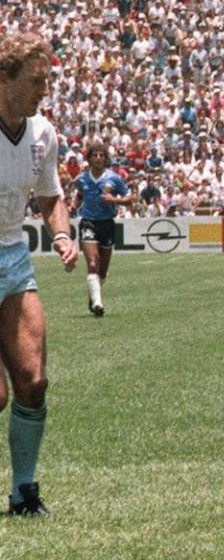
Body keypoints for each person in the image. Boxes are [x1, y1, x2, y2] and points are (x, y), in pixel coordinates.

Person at [0, 32, 79, 516]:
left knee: (32, 381)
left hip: (13, 258)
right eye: (34, 81)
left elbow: (50, 197)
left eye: (48, 80)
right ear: (4, 78)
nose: (43, 90)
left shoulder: (43, 133)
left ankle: (24, 491)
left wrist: (63, 235)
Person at [72, 143, 135, 317]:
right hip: (88, 222)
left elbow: (130, 199)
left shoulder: (114, 178)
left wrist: (114, 200)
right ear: (89, 158)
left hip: (107, 224)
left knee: (103, 270)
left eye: (101, 155)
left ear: (106, 159)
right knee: (93, 262)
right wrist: (74, 204)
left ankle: (93, 296)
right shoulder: (82, 178)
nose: (98, 158)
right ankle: (98, 304)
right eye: (95, 155)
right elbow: (80, 194)